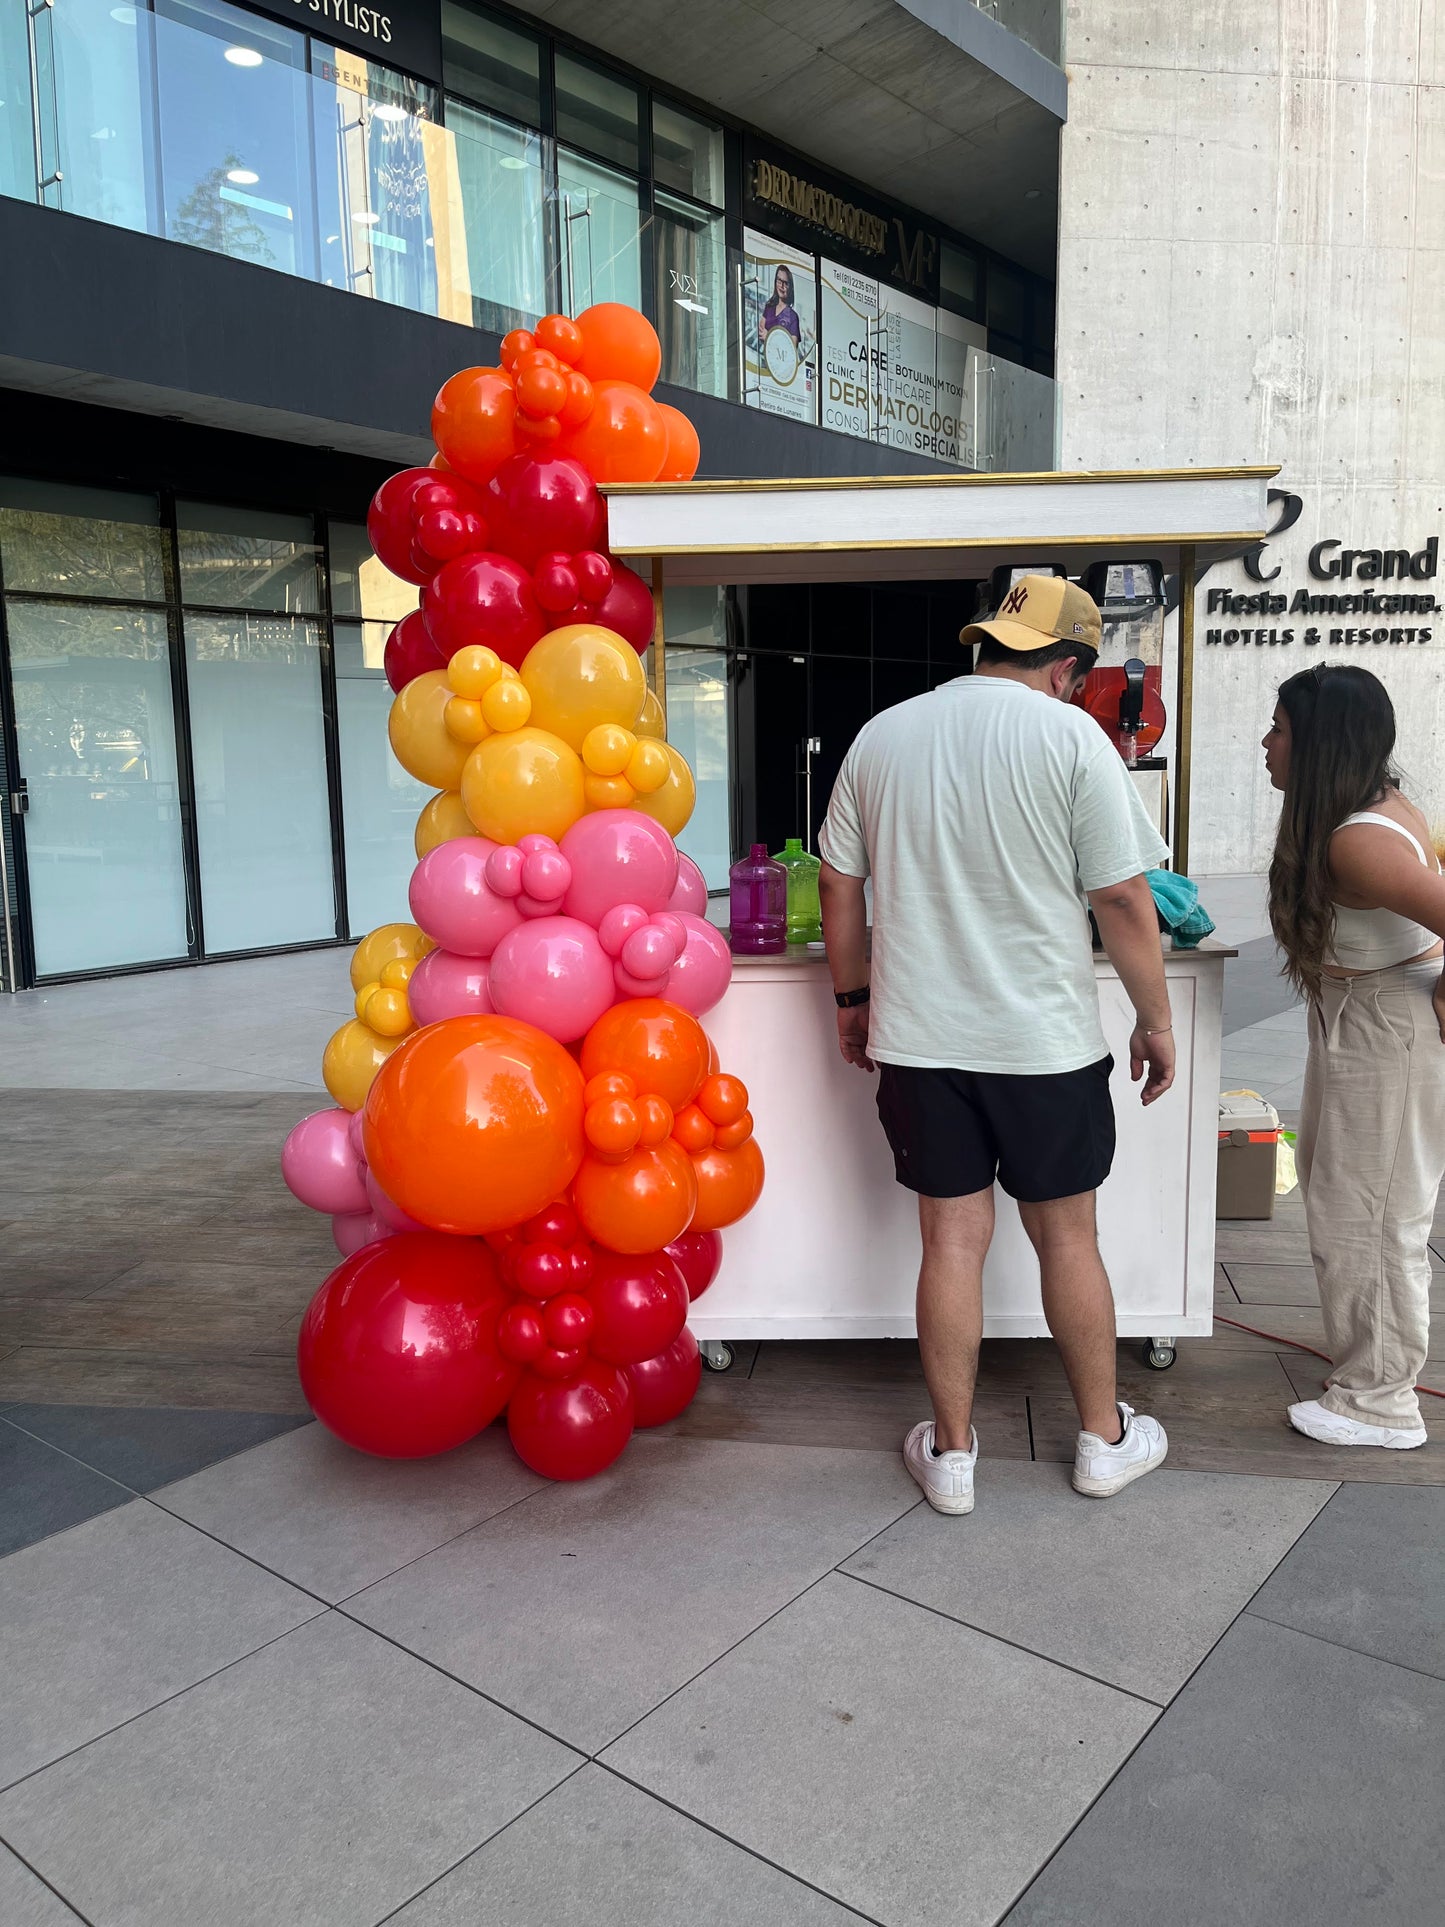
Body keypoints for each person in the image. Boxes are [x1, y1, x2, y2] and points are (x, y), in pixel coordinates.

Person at [818, 575, 1176, 1515]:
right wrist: (1155, 1017)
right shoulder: (1071, 738)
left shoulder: (881, 734)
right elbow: (1123, 899)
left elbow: (838, 888)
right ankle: (1102, 1441)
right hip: (1045, 1046)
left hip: (921, 1041)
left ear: (987, 644)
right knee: (1067, 1237)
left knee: (949, 1240)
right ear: (1067, 668)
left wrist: (851, 998)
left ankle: (950, 1455)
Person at [1265, 663, 1444, 1450]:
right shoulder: (1366, 810)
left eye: (1278, 729)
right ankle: (1372, 1375)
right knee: (1350, 1203)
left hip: (1384, 1027)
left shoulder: (1357, 841)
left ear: (1317, 746)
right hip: (1364, 1019)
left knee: (1370, 1219)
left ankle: (1380, 1403)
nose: (1264, 743)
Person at [761, 266, 800, 343]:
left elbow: (792, 347)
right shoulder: (769, 306)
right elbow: (761, 332)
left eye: (785, 283)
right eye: (779, 281)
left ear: (790, 287)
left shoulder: (793, 317)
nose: (781, 286)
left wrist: (768, 337)